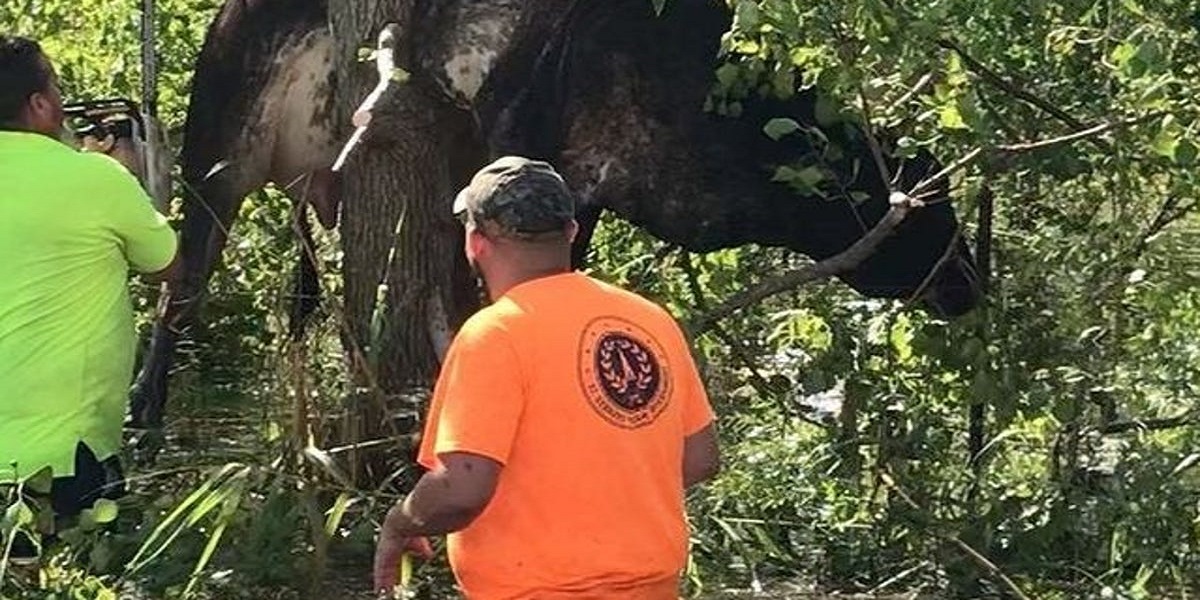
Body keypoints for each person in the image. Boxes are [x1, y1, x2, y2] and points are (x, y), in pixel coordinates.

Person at [372, 156, 721, 599]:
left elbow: (462, 486)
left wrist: (401, 521)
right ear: (571, 232)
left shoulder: (496, 333)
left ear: (476, 242)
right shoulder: (649, 320)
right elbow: (700, 458)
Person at [0, 35, 180, 534]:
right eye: (55, 87)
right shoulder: (97, 180)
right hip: (60, 458)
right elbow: (167, 265)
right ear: (38, 104)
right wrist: (121, 174)